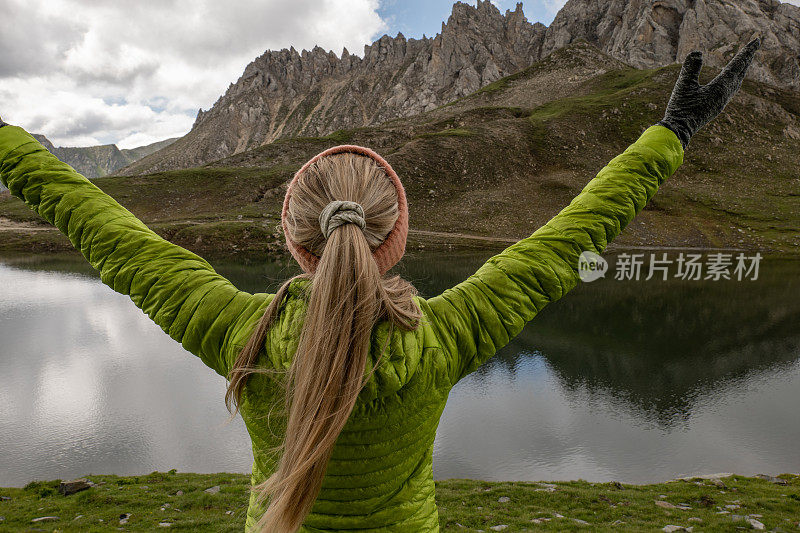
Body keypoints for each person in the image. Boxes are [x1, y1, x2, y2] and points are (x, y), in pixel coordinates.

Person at [0, 38, 760, 533]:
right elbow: (569, 238)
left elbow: (107, 230)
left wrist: (8, 146)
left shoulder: (242, 333)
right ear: (394, 240)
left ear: (294, 244)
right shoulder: (444, 337)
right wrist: (671, 135)